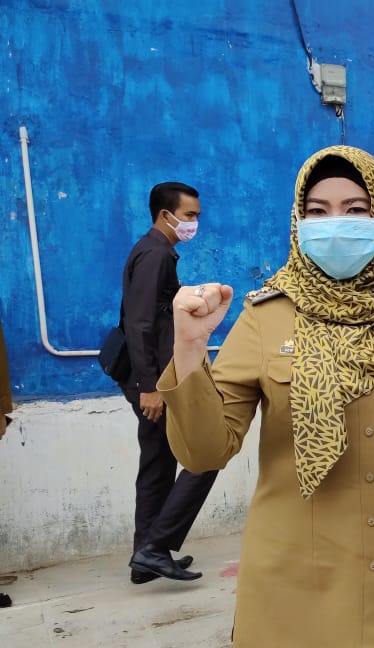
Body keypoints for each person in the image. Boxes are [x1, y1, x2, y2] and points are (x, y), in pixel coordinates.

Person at [157, 146, 374, 647]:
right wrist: (190, 347)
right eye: (316, 212)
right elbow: (203, 452)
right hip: (292, 582)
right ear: (298, 221)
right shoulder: (266, 315)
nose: (334, 224)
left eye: (356, 210)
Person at [119, 181, 217, 584]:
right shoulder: (155, 254)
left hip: (156, 375)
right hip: (155, 380)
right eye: (189, 215)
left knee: (158, 463)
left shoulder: (156, 252)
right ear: (166, 215)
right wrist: (150, 386)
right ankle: (155, 547)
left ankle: (146, 557)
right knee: (203, 455)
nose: (194, 223)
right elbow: (139, 322)